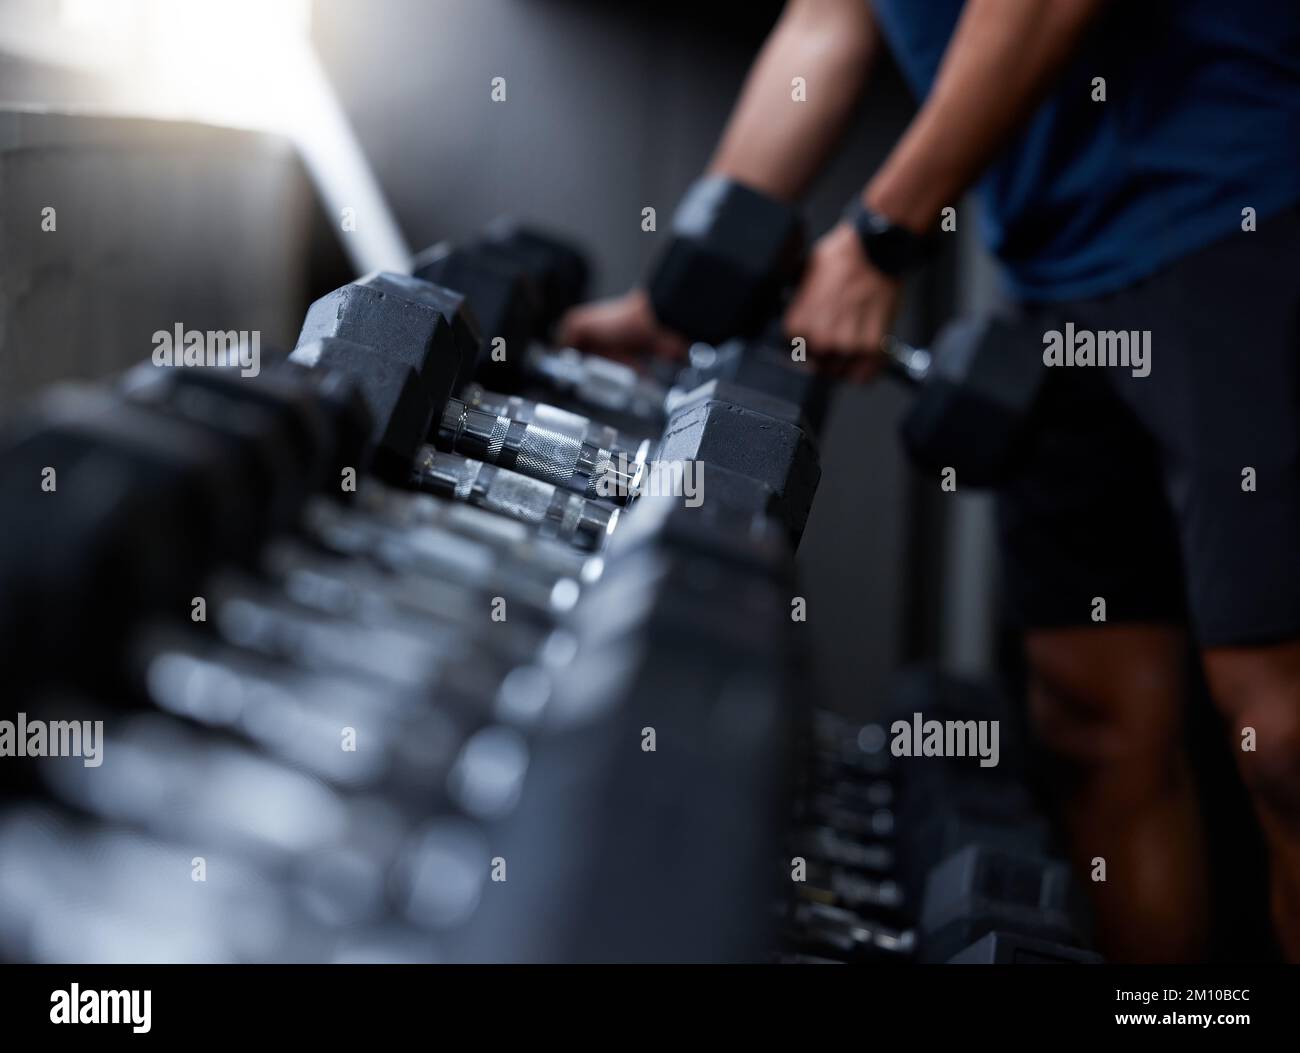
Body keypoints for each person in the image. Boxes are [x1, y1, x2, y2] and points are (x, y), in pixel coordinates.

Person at [556, 0, 1300, 963]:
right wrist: (680, 292)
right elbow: (828, 25)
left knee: (1281, 737)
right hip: (1055, 272)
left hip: (1239, 217)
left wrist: (878, 240)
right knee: (1095, 725)